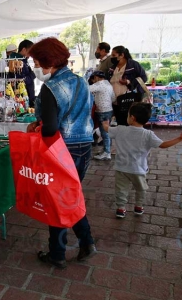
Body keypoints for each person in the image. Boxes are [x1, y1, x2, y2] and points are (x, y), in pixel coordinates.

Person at [26, 37, 96, 268]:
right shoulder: (82, 81)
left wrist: (38, 129)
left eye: (36, 61)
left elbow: (51, 128)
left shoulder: (50, 88)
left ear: (48, 62)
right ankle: (86, 243)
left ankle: (57, 254)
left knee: (57, 201)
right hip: (84, 146)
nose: (35, 66)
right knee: (69, 197)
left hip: (62, 150)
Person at [102, 102, 182, 218]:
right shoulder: (148, 134)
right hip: (138, 169)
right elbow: (163, 145)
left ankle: (121, 208)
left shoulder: (120, 130)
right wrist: (179, 138)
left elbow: (106, 129)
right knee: (141, 189)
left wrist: (105, 123)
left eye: (128, 115)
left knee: (121, 189)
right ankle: (138, 206)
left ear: (132, 118)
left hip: (121, 168)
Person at [108, 45, 147, 126]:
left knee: (130, 123)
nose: (111, 57)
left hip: (129, 100)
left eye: (114, 55)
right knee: (120, 124)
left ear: (122, 55)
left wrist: (128, 82)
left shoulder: (133, 65)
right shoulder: (113, 67)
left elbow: (144, 77)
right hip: (116, 101)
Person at [90, 70, 115, 160]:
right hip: (109, 110)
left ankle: (107, 153)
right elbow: (113, 98)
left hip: (102, 111)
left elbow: (86, 89)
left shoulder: (99, 84)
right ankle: (106, 150)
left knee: (104, 133)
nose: (93, 81)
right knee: (106, 131)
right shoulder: (108, 85)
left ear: (96, 77)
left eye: (93, 78)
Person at [9, 40, 36, 107]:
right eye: (30, 51)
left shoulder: (24, 61)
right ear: (24, 49)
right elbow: (22, 81)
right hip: (23, 98)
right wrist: (33, 74)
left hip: (27, 96)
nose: (31, 54)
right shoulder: (18, 61)